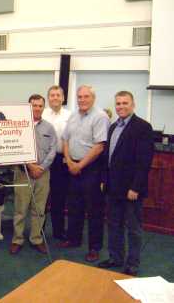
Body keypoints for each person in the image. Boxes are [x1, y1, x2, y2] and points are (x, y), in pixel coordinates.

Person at [98, 91, 153, 276]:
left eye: (125, 103)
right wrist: (104, 181)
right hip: (113, 188)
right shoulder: (113, 127)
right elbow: (108, 158)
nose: (121, 106)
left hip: (131, 190)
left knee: (133, 229)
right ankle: (115, 257)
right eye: (118, 103)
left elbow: (144, 162)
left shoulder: (143, 127)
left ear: (133, 104)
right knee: (114, 225)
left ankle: (132, 264)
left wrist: (135, 187)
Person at [59, 85, 110, 262]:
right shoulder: (74, 115)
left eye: (86, 96)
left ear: (93, 98)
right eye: (79, 97)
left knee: (94, 209)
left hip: (91, 169)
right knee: (74, 206)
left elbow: (99, 146)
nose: (82, 100)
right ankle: (74, 239)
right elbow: (65, 139)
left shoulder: (100, 117)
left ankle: (94, 247)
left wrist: (79, 165)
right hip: (72, 165)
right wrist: (69, 161)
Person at [10, 94, 57, 255]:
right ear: (28, 107)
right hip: (23, 172)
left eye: (40, 105)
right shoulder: (18, 125)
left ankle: (36, 239)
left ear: (43, 107)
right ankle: (17, 239)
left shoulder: (49, 128)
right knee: (20, 209)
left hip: (43, 174)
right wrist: (31, 166)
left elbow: (52, 150)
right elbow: (14, 147)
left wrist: (41, 168)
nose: (37, 108)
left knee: (39, 209)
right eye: (34, 105)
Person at [42, 85, 71, 241]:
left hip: (61, 160)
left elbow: (71, 138)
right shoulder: (43, 114)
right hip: (44, 160)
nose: (55, 98)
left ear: (63, 98)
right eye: (52, 95)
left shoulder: (70, 115)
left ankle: (58, 231)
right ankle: (38, 232)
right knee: (42, 198)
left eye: (58, 95)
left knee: (58, 198)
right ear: (48, 98)